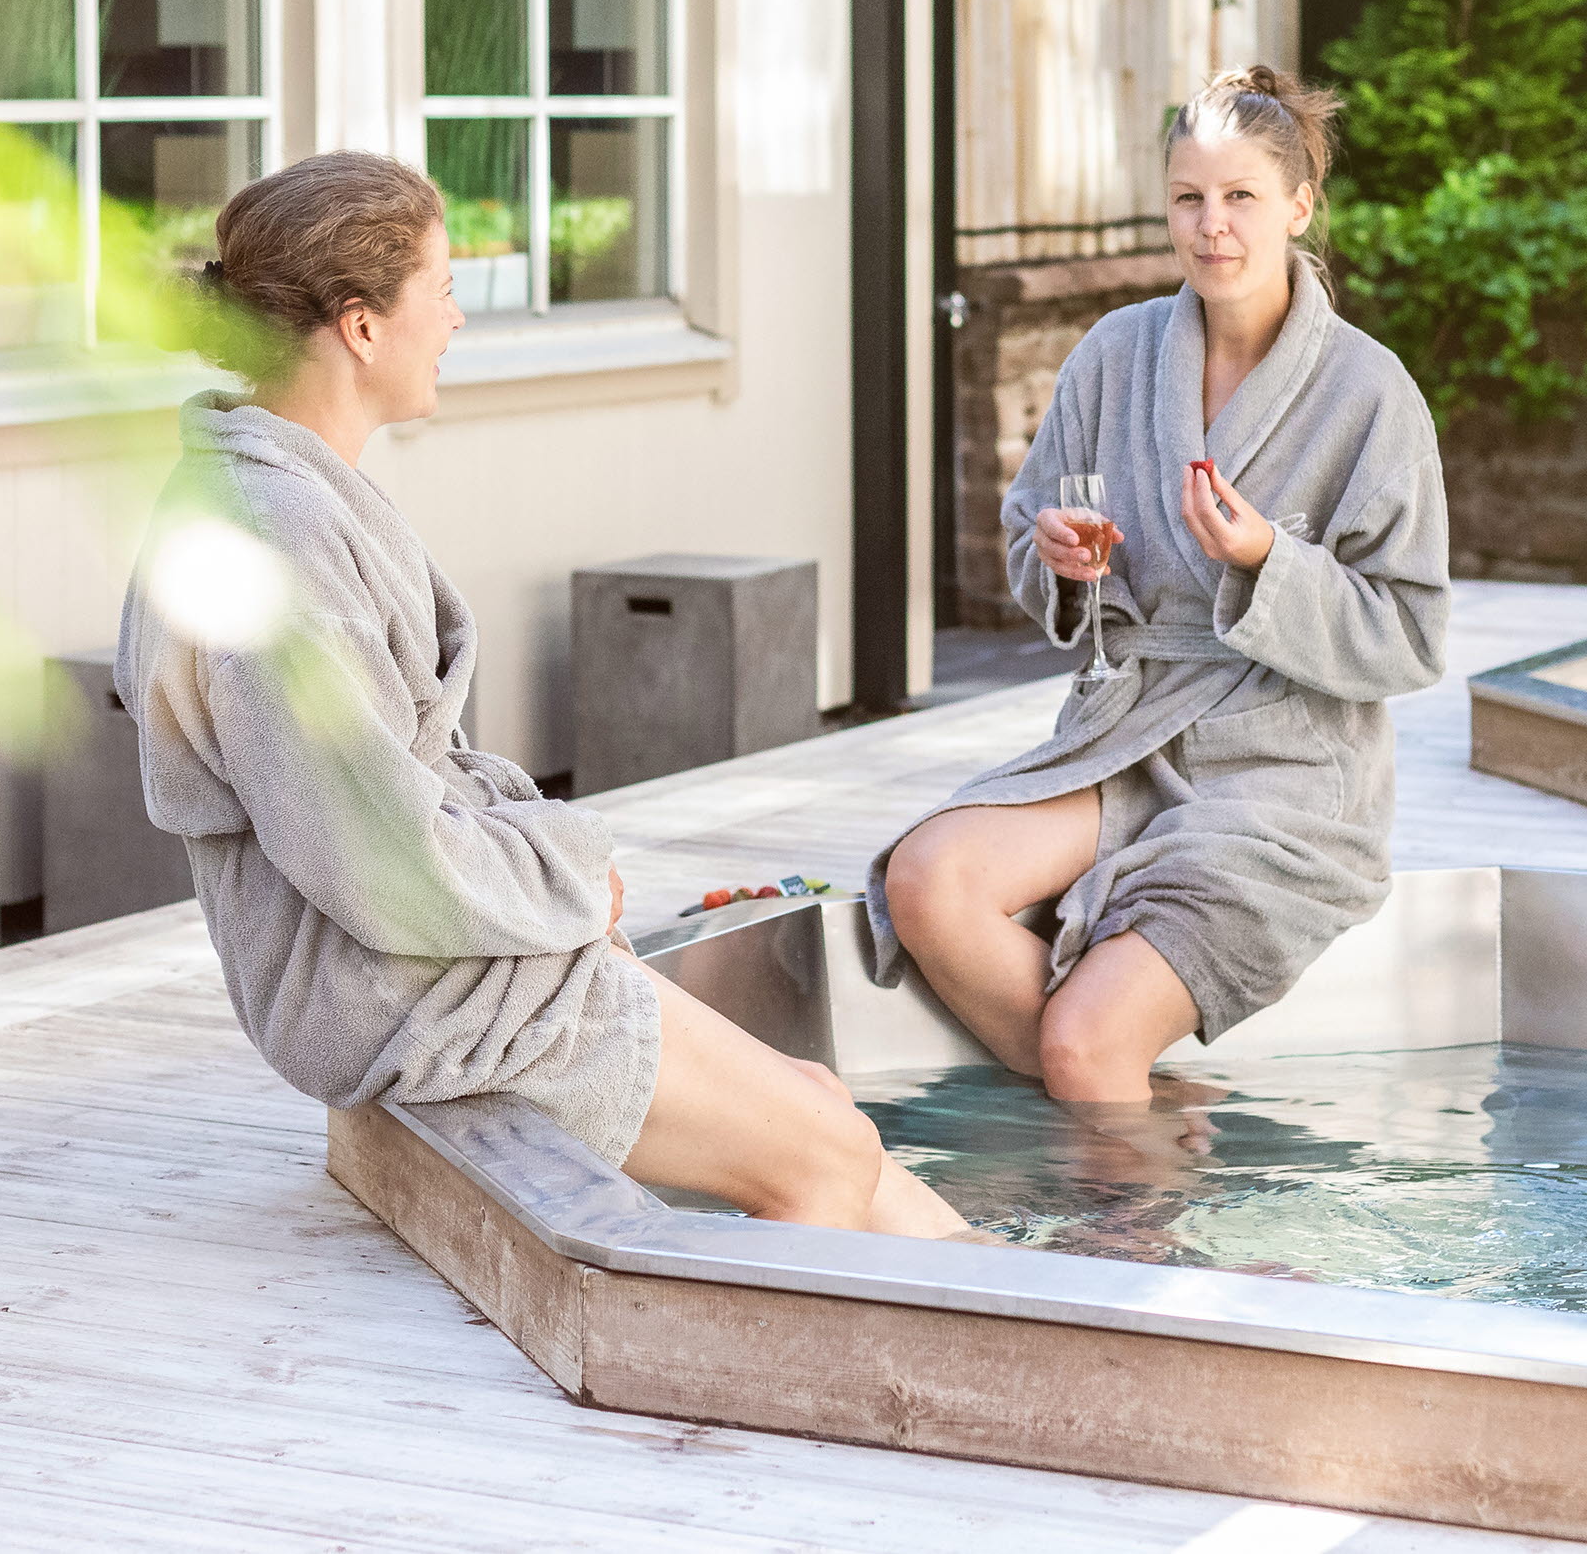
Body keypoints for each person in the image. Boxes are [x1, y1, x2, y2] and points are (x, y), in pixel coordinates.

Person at [116, 151, 965, 1239]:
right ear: (361, 325)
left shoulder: (285, 493)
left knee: (823, 1106)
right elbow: (375, 858)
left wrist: (546, 866)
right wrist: (565, 874)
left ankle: (1054, 1329)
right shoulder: (273, 543)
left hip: (428, 947)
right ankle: (778, 1398)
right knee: (818, 1163)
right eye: (444, 289)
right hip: (388, 987)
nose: (458, 320)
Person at [871, 66, 1449, 1109]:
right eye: (1188, 197)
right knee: (926, 880)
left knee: (1082, 1047)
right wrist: (1051, 554)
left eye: (1239, 197)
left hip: (1282, 769)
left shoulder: (1368, 393)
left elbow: (1409, 634)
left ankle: (1117, 1155)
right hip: (1128, 733)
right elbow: (1026, 524)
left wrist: (1267, 560)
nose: (1210, 224)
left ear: (1297, 206)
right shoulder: (1112, 356)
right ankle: (1144, 1111)